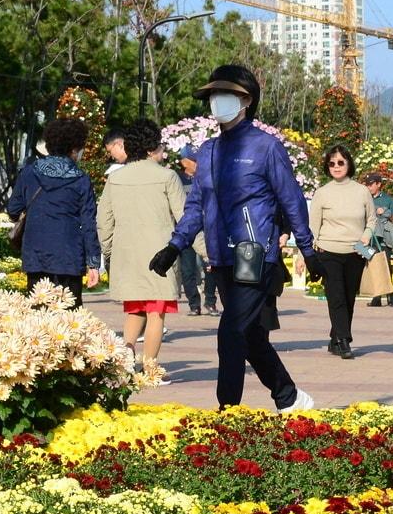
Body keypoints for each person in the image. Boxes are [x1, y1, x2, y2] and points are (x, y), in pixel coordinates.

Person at [149, 64, 318, 413]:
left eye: (225, 94)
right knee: (251, 335)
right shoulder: (208, 151)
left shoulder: (266, 147)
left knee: (230, 333)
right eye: (213, 95)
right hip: (220, 256)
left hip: (254, 253)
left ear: (246, 100)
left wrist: (307, 247)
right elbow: (197, 204)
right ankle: (289, 397)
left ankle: (229, 412)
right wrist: (174, 245)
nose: (216, 101)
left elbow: (292, 199)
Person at [97, 119, 194, 384]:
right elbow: (186, 218)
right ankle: (150, 370)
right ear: (152, 148)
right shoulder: (167, 177)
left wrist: (108, 251)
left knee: (134, 308)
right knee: (155, 312)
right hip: (160, 255)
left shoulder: (115, 179)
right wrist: (204, 251)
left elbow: (104, 220)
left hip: (126, 254)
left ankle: (127, 356)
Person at [7, 117, 100, 307]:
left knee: (38, 316)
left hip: (36, 254)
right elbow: (89, 223)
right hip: (70, 256)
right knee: (70, 317)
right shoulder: (81, 180)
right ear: (74, 148)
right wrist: (93, 264)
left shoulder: (29, 173)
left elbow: (13, 209)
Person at [308, 144, 375, 359]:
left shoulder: (362, 191)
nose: (336, 166)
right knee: (335, 297)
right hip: (328, 251)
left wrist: (366, 234)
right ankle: (345, 340)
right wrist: (305, 255)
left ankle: (335, 337)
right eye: (331, 163)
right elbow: (312, 228)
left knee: (348, 298)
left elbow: (372, 220)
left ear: (349, 164)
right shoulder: (322, 193)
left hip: (355, 251)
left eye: (340, 162)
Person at [173, 145, 215, 316]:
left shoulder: (207, 177)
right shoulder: (178, 179)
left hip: (207, 228)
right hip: (187, 229)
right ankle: (194, 304)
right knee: (187, 269)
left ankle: (210, 301)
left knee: (211, 265)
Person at [363, 172, 393, 307]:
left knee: (385, 266)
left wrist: (385, 212)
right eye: (367, 184)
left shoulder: (387, 199)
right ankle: (376, 298)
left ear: (379, 184)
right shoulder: (366, 199)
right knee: (372, 266)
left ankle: (390, 296)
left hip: (384, 239)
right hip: (369, 239)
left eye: (371, 184)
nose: (369, 187)